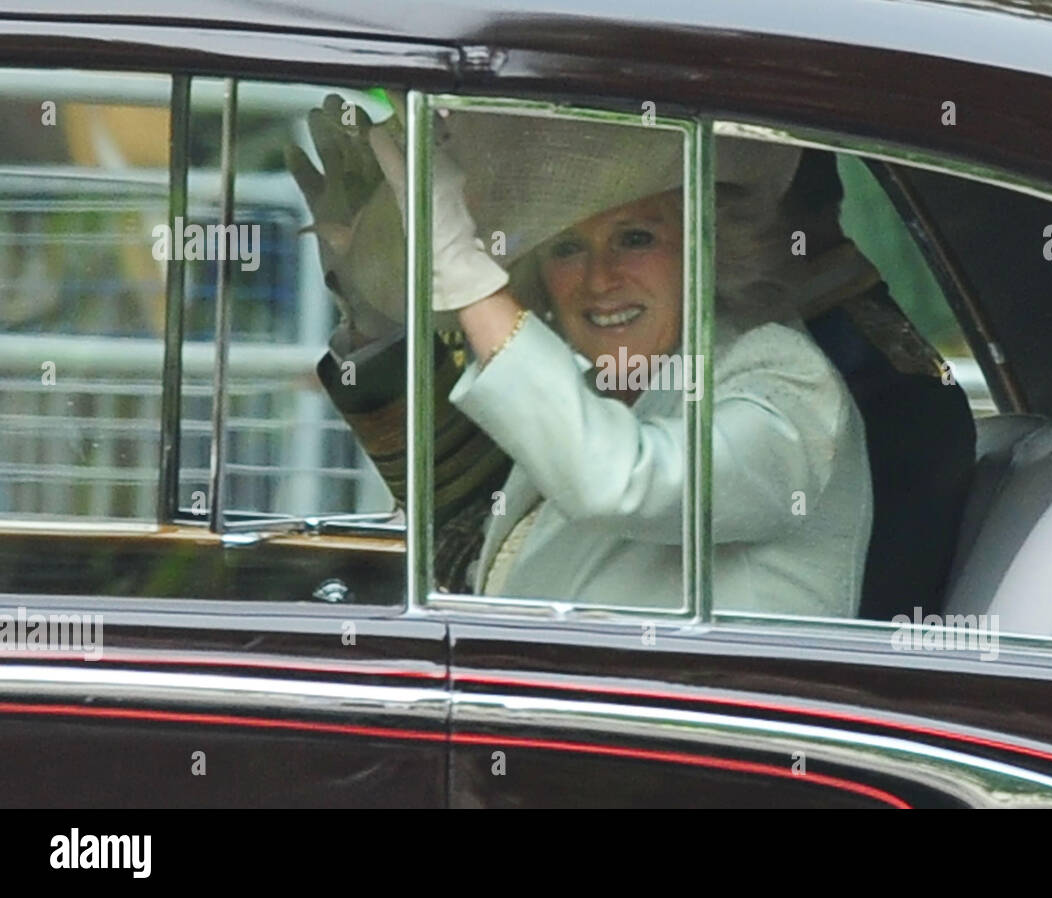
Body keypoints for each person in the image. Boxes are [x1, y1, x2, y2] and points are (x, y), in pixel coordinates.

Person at [292, 97, 872, 617]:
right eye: (568, 247)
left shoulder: (783, 380)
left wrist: (467, 279)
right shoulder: (592, 386)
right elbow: (460, 517)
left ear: (705, 246)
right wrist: (368, 309)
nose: (599, 279)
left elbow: (619, 480)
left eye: (636, 238)